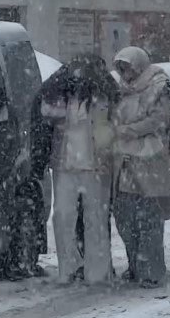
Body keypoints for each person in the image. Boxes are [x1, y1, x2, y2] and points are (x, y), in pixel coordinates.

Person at [38, 53, 119, 284]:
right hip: (65, 164)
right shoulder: (60, 96)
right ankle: (68, 268)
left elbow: (115, 123)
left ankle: (98, 271)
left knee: (96, 217)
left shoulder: (104, 96)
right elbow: (45, 111)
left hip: (96, 165)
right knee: (63, 216)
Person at [112, 46, 170, 288]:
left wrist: (127, 131)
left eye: (127, 68)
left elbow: (157, 120)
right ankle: (135, 265)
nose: (125, 74)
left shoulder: (158, 86)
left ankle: (152, 270)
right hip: (124, 161)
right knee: (126, 219)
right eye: (121, 69)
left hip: (149, 161)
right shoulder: (120, 90)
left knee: (149, 220)